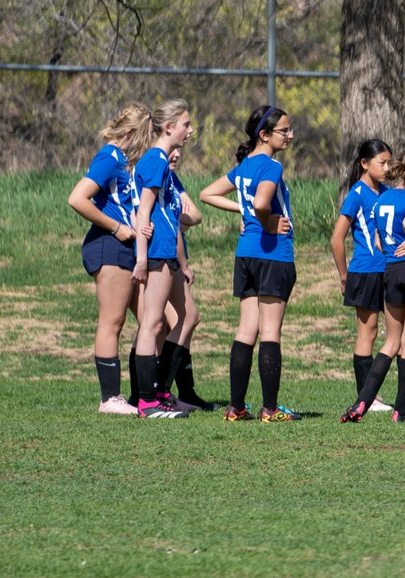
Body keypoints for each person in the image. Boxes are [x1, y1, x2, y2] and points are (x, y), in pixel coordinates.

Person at [199, 105, 299, 423]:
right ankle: (270, 409)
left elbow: (207, 194)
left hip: (245, 254)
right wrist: (267, 222)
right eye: (285, 130)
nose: (290, 135)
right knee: (270, 331)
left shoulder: (243, 167)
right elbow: (261, 203)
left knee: (246, 330)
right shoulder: (270, 166)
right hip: (273, 254)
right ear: (264, 135)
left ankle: (236, 407)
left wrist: (242, 210)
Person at [68, 102, 154, 416]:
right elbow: (77, 198)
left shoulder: (124, 163)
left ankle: (144, 394)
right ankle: (110, 398)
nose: (147, 144)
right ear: (131, 133)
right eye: (145, 137)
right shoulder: (109, 158)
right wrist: (117, 227)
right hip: (109, 246)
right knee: (113, 321)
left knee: (152, 320)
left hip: (127, 248)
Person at [340, 147, 405, 424]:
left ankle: (360, 404)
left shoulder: (382, 199)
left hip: (390, 270)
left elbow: (378, 240)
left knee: (390, 341)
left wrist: (394, 248)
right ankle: (401, 411)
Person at [128, 99, 196, 418]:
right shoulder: (155, 160)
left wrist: (182, 262)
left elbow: (168, 215)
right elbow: (143, 211)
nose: (190, 130)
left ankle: (160, 393)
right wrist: (141, 259)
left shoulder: (161, 162)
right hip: (155, 253)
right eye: (185, 124)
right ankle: (147, 402)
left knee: (184, 316)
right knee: (152, 322)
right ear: (169, 127)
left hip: (167, 252)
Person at [330, 138, 394, 410]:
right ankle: (367, 398)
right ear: (365, 164)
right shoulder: (356, 194)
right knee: (368, 332)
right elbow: (337, 239)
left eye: (390, 162)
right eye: (382, 163)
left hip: (389, 271)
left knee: (397, 332)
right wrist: (344, 276)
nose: (388, 168)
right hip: (365, 272)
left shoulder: (387, 193)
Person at [157, 146, 213, 411]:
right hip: (160, 260)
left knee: (183, 322)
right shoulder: (153, 170)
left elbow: (196, 215)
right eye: (173, 148)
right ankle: (157, 393)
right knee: (178, 321)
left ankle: (184, 392)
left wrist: (172, 219)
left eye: (180, 149)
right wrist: (171, 219)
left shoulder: (172, 178)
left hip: (175, 259)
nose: (177, 154)